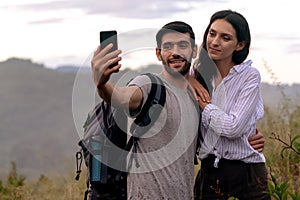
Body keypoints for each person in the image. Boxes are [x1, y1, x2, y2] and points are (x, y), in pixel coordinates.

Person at [92, 21, 200, 199]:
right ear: (159, 54)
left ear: (194, 51)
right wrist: (102, 84)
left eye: (182, 45)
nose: (175, 52)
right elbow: (121, 97)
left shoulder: (194, 97)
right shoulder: (149, 85)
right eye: (168, 46)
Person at [191, 10, 270, 199]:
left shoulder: (249, 76)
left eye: (225, 38)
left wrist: (205, 105)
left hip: (246, 173)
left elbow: (233, 127)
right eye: (212, 34)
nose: (215, 42)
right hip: (210, 171)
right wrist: (188, 79)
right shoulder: (198, 75)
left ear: (240, 45)